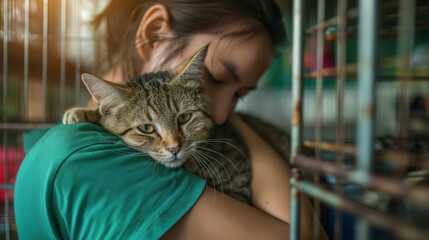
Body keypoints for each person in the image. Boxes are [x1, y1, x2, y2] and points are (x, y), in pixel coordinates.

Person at [15, 0, 326, 239]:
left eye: (239, 95)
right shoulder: (93, 164)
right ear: (153, 34)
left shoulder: (63, 144)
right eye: (215, 78)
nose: (221, 115)